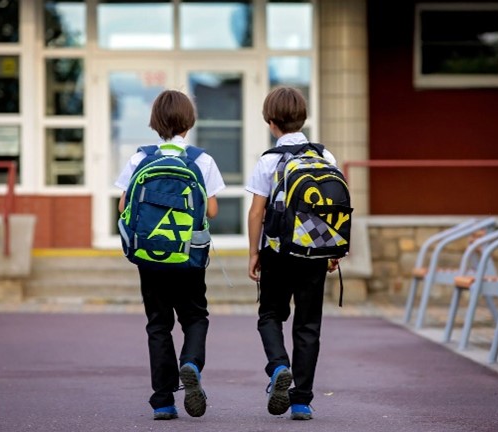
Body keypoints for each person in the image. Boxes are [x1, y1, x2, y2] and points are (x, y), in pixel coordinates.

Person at [115, 89, 225, 421]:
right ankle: (190, 362)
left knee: (158, 324)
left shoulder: (140, 158)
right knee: (195, 317)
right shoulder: (200, 160)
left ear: (155, 123)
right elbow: (213, 209)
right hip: (188, 256)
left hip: (150, 255)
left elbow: (123, 205)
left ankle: (163, 400)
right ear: (188, 123)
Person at [245, 86, 340, 420]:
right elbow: (334, 209)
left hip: (277, 251)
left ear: (271, 124)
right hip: (314, 251)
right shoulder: (325, 157)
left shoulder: (269, 161)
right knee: (308, 324)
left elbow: (256, 212)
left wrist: (254, 252)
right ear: (304, 118)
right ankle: (301, 400)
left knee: (270, 314)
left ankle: (278, 366)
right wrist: (333, 250)